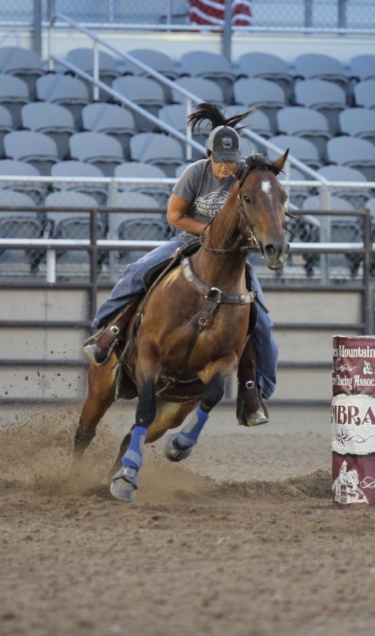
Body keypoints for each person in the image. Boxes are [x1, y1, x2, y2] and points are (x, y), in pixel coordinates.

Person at [81, 103, 278, 426]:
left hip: (231, 256)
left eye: (230, 161)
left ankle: (255, 390)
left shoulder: (245, 178)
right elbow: (175, 216)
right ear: (209, 154)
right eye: (219, 160)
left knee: (263, 321)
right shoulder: (196, 173)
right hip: (188, 242)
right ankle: (106, 333)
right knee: (138, 271)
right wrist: (208, 232)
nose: (225, 168)